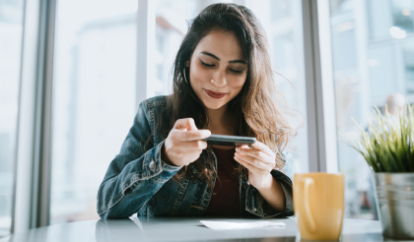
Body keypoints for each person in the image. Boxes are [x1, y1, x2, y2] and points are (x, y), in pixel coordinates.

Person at [97, 3, 296, 219]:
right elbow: (107, 206)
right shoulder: (155, 115)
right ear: (187, 59)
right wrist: (164, 157)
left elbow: (294, 206)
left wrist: (265, 181)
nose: (218, 81)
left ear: (251, 74)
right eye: (207, 63)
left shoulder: (266, 125)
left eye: (235, 69)